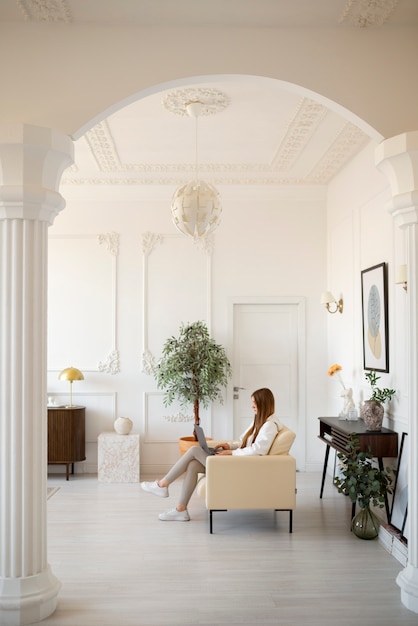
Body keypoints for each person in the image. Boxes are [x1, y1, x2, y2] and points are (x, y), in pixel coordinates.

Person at [141, 387, 283, 521]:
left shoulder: (269, 425)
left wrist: (231, 453)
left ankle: (162, 485)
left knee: (195, 450)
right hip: (238, 461)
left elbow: (259, 450)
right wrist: (228, 446)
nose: (252, 406)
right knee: (193, 465)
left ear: (263, 404)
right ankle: (181, 510)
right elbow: (243, 441)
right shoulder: (259, 421)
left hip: (240, 466)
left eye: (254, 403)